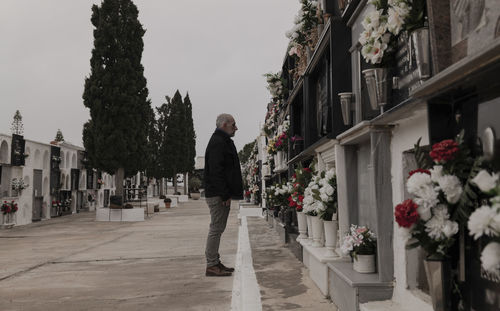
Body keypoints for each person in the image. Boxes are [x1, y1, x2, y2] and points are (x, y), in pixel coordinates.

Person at [204, 113, 243, 277]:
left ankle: (215, 262)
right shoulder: (218, 143)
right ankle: (212, 264)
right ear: (224, 125)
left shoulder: (222, 141)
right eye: (233, 124)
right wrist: (224, 194)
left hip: (220, 193)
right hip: (218, 195)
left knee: (218, 228)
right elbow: (216, 172)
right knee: (216, 228)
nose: (236, 128)